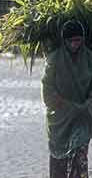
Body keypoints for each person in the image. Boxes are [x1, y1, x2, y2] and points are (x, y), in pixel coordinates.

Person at [41, 20, 92, 178]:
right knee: (59, 164)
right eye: (72, 41)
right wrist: (68, 106)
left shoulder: (89, 58)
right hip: (60, 120)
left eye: (78, 40)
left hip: (83, 118)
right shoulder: (54, 60)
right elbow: (47, 90)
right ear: (65, 41)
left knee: (80, 159)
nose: (75, 44)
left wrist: (88, 103)